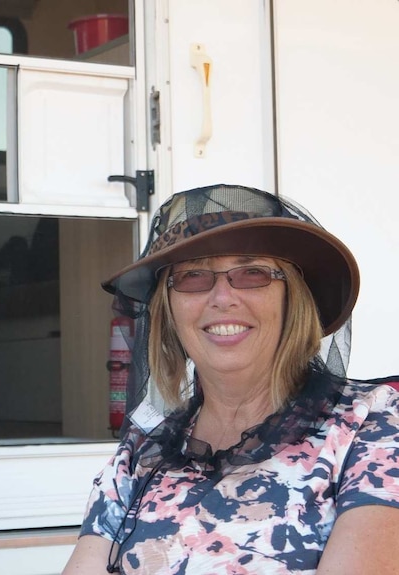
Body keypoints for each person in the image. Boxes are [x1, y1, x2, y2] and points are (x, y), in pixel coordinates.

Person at [63, 184, 399, 574]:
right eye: (192, 276)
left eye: (252, 272)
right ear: (169, 311)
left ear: (294, 297)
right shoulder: (140, 455)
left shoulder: (375, 425)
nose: (222, 297)